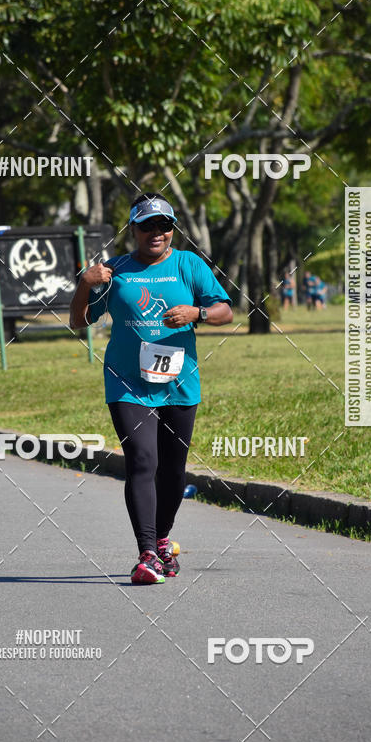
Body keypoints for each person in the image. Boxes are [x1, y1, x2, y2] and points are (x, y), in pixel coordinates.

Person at [69, 192, 233, 585]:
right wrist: (83, 284)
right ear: (133, 230)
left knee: (174, 473)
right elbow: (79, 322)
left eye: (164, 225)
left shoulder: (188, 264)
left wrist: (199, 313)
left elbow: (226, 311)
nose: (156, 232)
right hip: (127, 383)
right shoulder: (115, 271)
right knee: (143, 461)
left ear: (172, 230)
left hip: (179, 381)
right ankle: (146, 553)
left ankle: (161, 539)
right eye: (147, 225)